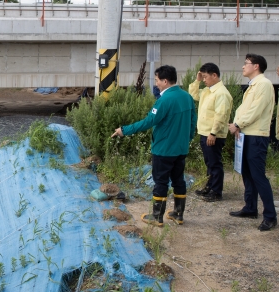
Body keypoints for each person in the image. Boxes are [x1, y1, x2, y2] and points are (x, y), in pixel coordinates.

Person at [112, 65, 197, 226]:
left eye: (157, 80)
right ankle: (178, 214)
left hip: (164, 149)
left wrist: (124, 130)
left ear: (165, 81)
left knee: (161, 181)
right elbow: (193, 121)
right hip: (181, 148)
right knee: (179, 180)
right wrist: (188, 139)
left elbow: (149, 122)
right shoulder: (187, 97)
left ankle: (157, 216)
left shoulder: (164, 100)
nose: (156, 83)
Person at [228, 54, 276, 231]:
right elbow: (243, 109)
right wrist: (237, 125)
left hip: (256, 136)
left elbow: (256, 111)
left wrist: (238, 124)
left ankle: (270, 216)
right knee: (247, 173)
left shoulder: (263, 84)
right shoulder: (253, 85)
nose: (243, 67)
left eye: (246, 64)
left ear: (256, 66)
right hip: (246, 134)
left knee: (258, 176)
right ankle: (250, 208)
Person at [188, 63, 233, 202]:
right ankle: (209, 186)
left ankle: (216, 191)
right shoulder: (208, 91)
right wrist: (197, 80)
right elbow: (193, 94)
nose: (204, 79)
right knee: (209, 162)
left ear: (215, 75)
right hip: (205, 132)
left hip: (213, 135)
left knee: (214, 163)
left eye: (206, 77)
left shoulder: (222, 93)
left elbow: (221, 115)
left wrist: (213, 133)